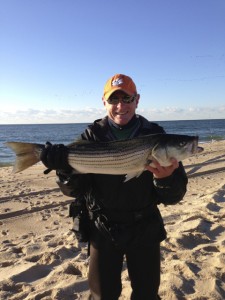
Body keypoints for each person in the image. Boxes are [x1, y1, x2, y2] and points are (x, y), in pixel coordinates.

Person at [41, 74, 188, 300]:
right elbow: (75, 191)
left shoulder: (156, 136)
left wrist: (165, 180)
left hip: (145, 227)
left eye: (127, 99)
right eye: (114, 100)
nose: (121, 106)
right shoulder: (91, 135)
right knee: (102, 295)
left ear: (137, 100)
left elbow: (174, 197)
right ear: (104, 102)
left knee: (147, 295)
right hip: (102, 227)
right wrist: (65, 170)